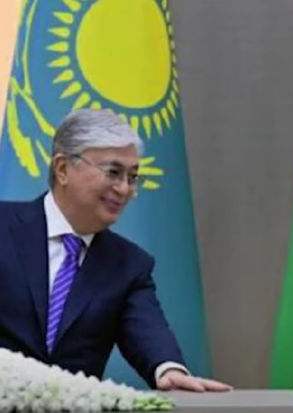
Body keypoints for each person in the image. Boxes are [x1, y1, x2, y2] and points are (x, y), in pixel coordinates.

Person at [0, 109, 231, 392]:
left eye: (133, 177)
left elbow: (147, 331)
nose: (124, 189)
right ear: (62, 169)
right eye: (113, 172)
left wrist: (169, 369)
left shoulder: (128, 265)